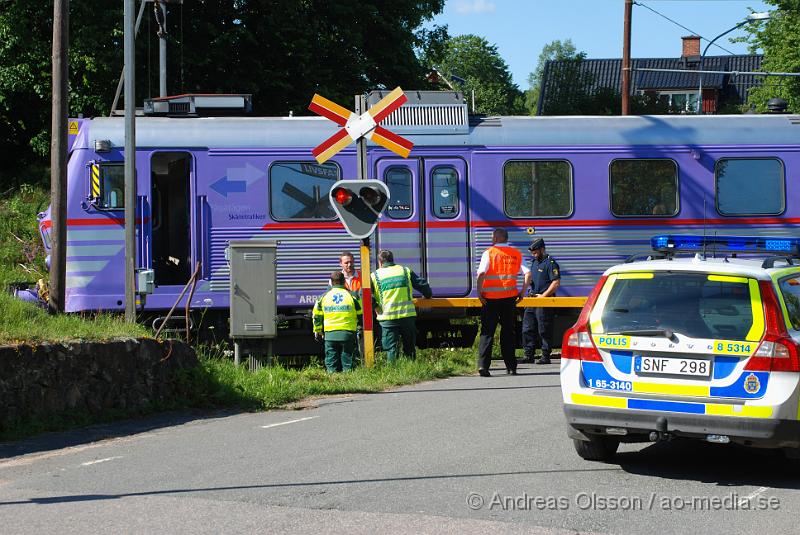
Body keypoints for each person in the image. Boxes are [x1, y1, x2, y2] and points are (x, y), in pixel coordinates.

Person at [476, 228, 531, 376]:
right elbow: (528, 273)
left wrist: (479, 293)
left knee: (487, 332)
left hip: (490, 300)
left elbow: (481, 273)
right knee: (508, 332)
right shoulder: (516, 254)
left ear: (495, 238)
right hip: (509, 299)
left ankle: (483, 366)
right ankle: (511, 367)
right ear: (506, 238)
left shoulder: (489, 253)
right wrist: (523, 292)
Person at [371, 249, 432, 363]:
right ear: (392, 259)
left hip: (387, 318)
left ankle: (393, 372)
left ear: (380, 262)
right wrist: (428, 295)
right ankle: (411, 369)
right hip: (406, 316)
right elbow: (422, 284)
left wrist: (375, 305)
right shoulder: (405, 271)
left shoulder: (375, 275)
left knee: (391, 349)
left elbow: (363, 294)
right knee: (409, 347)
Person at [313, 271, 362, 373]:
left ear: (331, 282)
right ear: (344, 281)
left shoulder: (322, 297)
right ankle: (350, 383)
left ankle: (333, 381)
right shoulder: (353, 296)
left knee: (331, 361)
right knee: (348, 359)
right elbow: (361, 314)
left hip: (330, 334)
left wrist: (318, 330)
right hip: (348, 333)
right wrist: (360, 328)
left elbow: (317, 316)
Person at [521, 238, 561, 365]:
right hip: (532, 300)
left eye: (535, 252)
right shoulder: (534, 263)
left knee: (544, 329)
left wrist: (543, 296)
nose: (533, 254)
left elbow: (555, 283)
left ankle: (545, 356)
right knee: (527, 328)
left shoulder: (551, 263)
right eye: (532, 253)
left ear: (542, 249)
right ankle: (528, 355)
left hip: (544, 301)